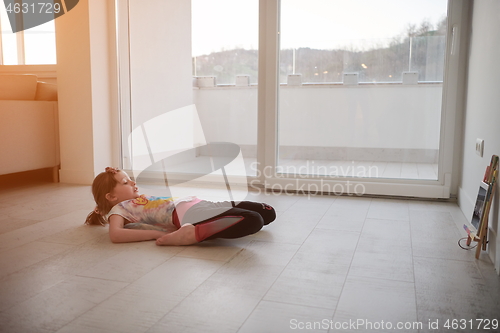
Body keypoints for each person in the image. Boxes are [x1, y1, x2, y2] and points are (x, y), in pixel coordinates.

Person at [85, 167, 276, 246]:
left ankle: (197, 229)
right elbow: (116, 235)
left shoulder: (135, 200)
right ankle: (192, 234)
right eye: (126, 182)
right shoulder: (119, 210)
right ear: (111, 196)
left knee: (267, 213)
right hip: (188, 214)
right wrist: (157, 235)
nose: (133, 183)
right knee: (254, 220)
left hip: (197, 204)